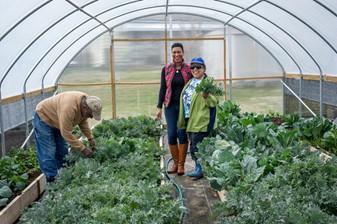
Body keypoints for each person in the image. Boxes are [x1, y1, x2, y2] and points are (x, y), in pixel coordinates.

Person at [32, 91, 102, 182]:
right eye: (90, 114)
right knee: (48, 151)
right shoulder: (69, 108)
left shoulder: (88, 102)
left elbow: (83, 122)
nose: (91, 117)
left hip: (58, 120)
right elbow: (66, 133)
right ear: (85, 107)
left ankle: (64, 175)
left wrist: (90, 138)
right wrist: (83, 149)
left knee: (62, 150)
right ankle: (51, 180)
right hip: (44, 117)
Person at [178, 57, 218, 180]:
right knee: (193, 145)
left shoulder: (208, 83)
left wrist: (206, 96)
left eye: (198, 67)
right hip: (190, 119)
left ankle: (200, 169)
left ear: (204, 69)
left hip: (201, 120)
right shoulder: (191, 82)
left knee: (197, 146)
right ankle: (198, 167)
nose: (195, 69)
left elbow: (214, 102)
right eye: (193, 67)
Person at [156, 43, 192, 175]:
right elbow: (163, 88)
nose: (176, 54)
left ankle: (182, 165)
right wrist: (159, 106)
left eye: (179, 52)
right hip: (170, 106)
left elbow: (196, 83)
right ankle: (176, 163)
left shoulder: (189, 69)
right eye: (174, 52)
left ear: (183, 53)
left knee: (182, 133)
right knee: (171, 134)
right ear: (171, 54)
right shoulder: (166, 69)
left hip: (184, 107)